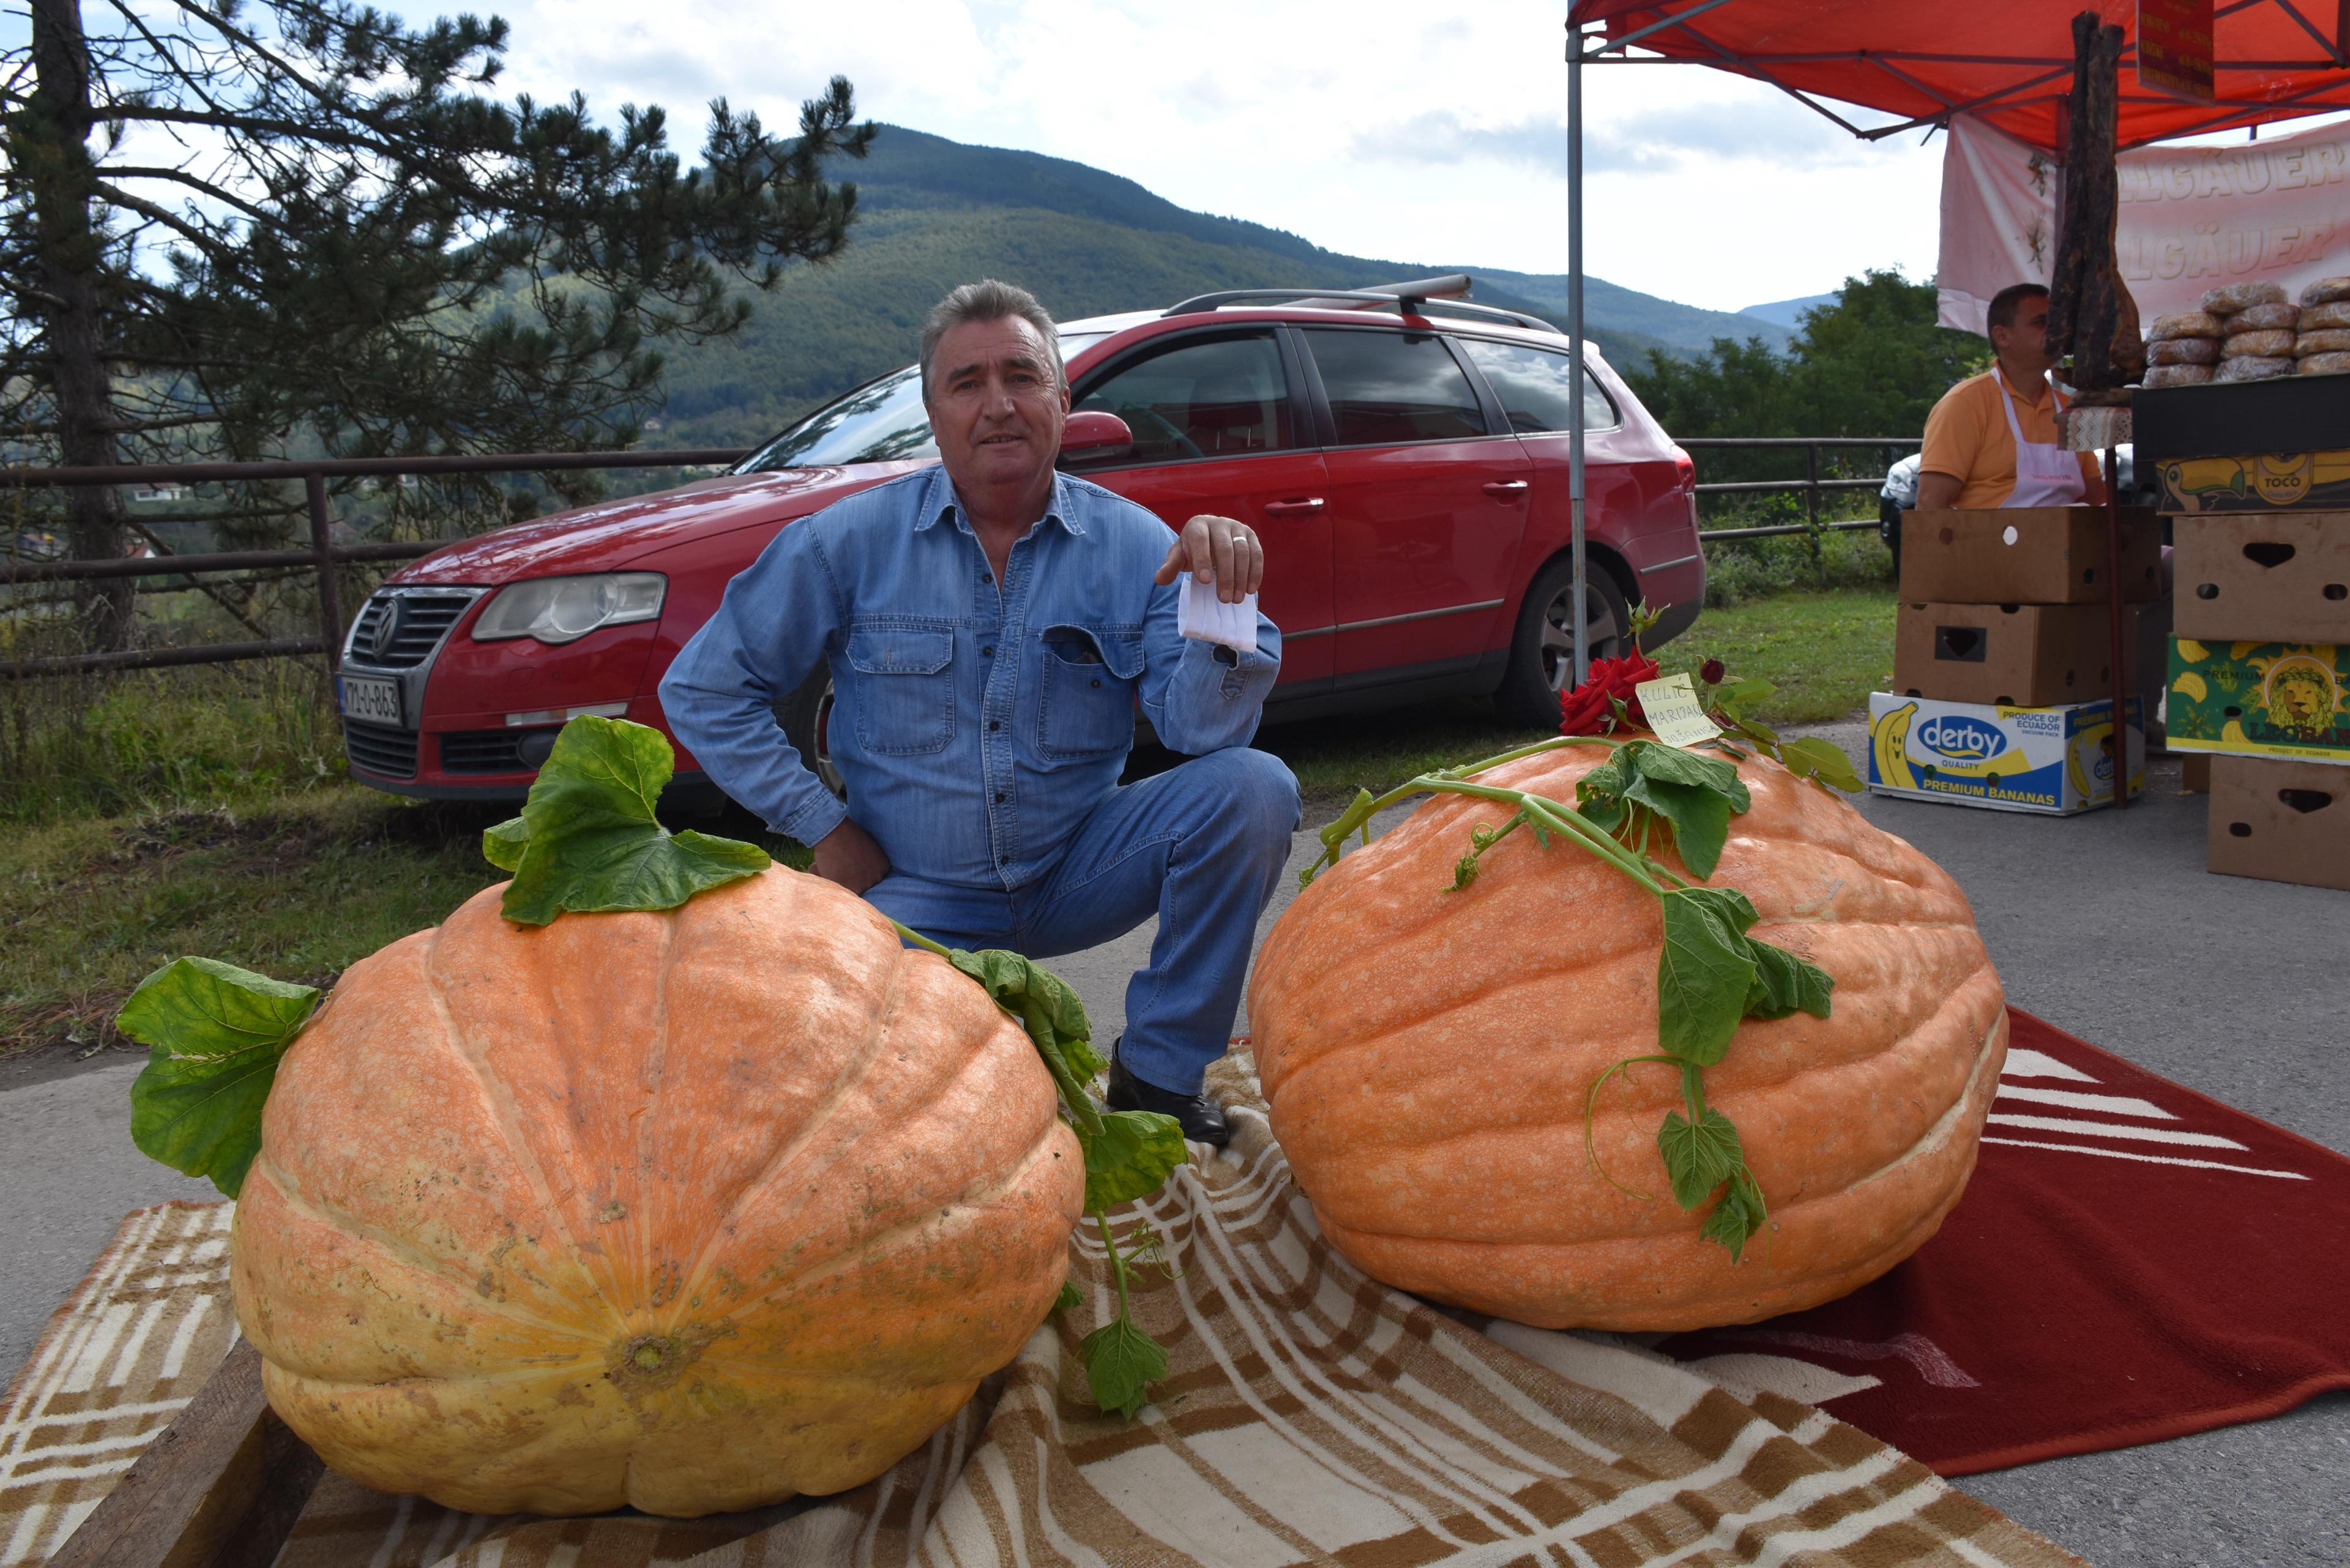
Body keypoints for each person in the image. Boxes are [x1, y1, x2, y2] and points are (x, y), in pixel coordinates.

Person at [659, 279, 1300, 1146]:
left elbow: (1199, 734)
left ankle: (1157, 1078)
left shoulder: (1141, 546)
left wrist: (1222, 606)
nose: (998, 404)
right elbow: (702, 688)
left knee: (1253, 788)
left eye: (1023, 376)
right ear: (935, 413)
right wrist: (824, 823)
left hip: (1077, 868)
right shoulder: (845, 541)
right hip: (912, 897)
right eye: (967, 384)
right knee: (902, 1134)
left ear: (1063, 400)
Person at [1917, 282, 2107, 511]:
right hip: (1989, 545)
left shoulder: (2072, 409)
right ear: (2003, 337)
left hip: (2068, 543)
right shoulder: (1965, 403)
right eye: (2041, 322)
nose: (2057, 330)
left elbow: (2098, 500)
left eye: (2058, 322)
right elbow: (1930, 506)